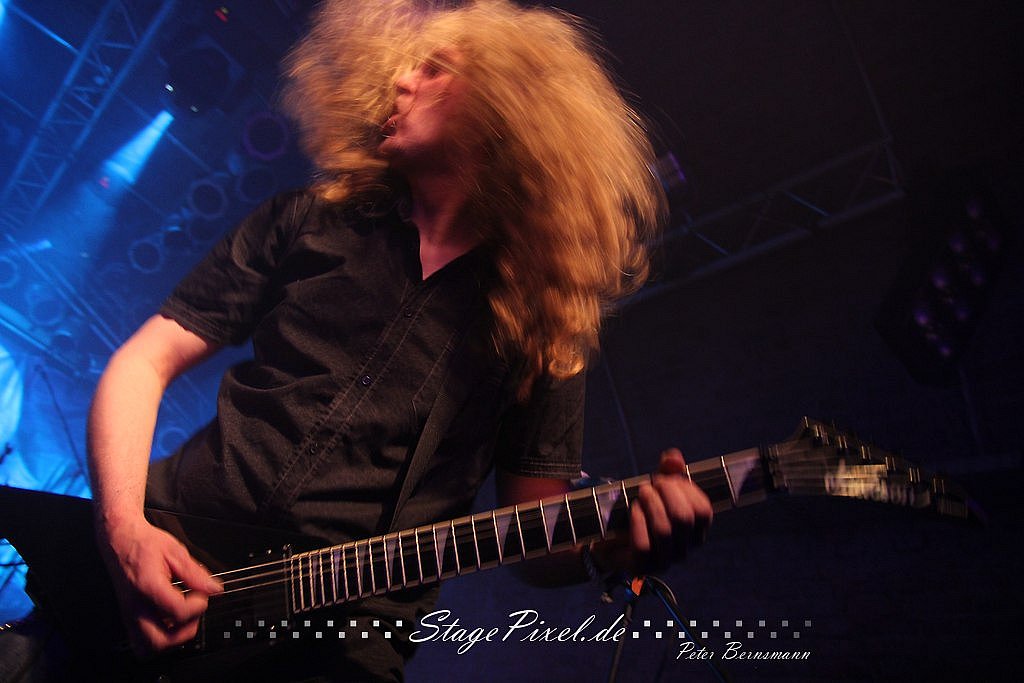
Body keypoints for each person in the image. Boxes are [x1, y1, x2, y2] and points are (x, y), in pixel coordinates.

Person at [86, 1, 713, 680]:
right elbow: (143, 362)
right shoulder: (306, 220)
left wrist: (612, 550)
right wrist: (123, 530)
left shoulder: (547, 319)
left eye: (434, 69)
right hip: (156, 554)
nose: (402, 81)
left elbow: (536, 535)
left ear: (507, 105)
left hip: (336, 644)